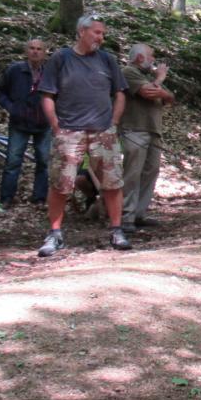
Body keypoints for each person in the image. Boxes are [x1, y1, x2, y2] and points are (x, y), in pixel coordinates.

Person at [36, 14, 131, 257]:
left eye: (103, 34)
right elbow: (47, 95)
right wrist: (56, 127)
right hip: (69, 131)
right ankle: (54, 233)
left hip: (103, 131)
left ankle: (117, 230)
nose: (101, 38)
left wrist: (113, 123)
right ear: (81, 32)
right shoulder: (61, 58)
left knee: (112, 182)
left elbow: (120, 93)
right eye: (97, 33)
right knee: (61, 184)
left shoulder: (107, 60)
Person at [119, 43, 174, 232]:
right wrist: (160, 78)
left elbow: (170, 98)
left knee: (151, 171)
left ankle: (139, 214)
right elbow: (149, 92)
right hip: (134, 130)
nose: (153, 60)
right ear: (140, 57)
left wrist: (161, 89)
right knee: (132, 173)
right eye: (151, 56)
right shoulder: (128, 72)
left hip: (153, 130)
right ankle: (125, 216)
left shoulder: (148, 77)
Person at [0, 37, 52, 208]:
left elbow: (58, 94)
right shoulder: (15, 70)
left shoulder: (50, 73)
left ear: (45, 52)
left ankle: (39, 198)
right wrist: (12, 108)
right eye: (32, 48)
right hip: (19, 122)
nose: (35, 52)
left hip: (43, 123)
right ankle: (6, 197)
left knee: (43, 161)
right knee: (13, 160)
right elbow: (1, 92)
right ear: (26, 51)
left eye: (39, 49)